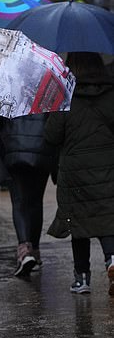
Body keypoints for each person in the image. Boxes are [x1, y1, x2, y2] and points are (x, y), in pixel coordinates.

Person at [45, 52, 114, 295]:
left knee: (79, 222)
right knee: (107, 218)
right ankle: (112, 259)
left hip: (75, 173)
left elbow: (51, 136)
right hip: (107, 168)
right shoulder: (110, 93)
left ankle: (81, 277)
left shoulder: (65, 96)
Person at [2, 115, 56, 276]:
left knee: (19, 202)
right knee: (35, 201)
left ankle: (25, 250)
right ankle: (36, 250)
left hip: (13, 146)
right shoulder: (48, 91)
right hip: (42, 147)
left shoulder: (10, 90)